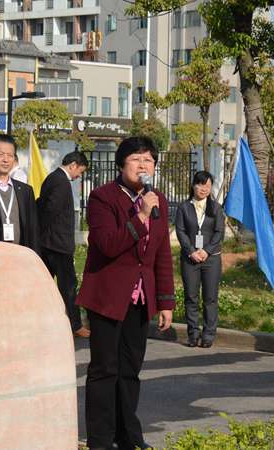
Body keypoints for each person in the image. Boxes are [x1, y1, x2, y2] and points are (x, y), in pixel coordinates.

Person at [77, 136, 175, 450]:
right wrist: (141, 216)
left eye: (149, 160)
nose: (143, 165)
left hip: (140, 298)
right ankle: (101, 439)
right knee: (105, 370)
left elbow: (161, 253)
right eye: (136, 159)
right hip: (107, 296)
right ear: (121, 164)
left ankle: (128, 435)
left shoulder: (157, 200)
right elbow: (107, 244)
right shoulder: (102, 197)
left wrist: (166, 301)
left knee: (130, 370)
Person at [37, 151, 90, 338]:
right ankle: (75, 325)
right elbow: (50, 211)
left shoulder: (53, 178)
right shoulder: (61, 181)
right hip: (58, 245)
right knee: (68, 286)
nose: (78, 176)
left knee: (45, 285)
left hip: (50, 242)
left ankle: (43, 321)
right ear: (73, 165)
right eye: (80, 172)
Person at [174, 171, 225, 348]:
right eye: (201, 184)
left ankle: (208, 334)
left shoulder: (216, 208)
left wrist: (206, 251)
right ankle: (193, 334)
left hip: (211, 260)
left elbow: (219, 232)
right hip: (190, 259)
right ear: (193, 185)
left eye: (208, 186)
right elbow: (180, 231)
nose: (204, 189)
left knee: (210, 298)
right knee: (191, 297)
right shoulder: (183, 207)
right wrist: (191, 251)